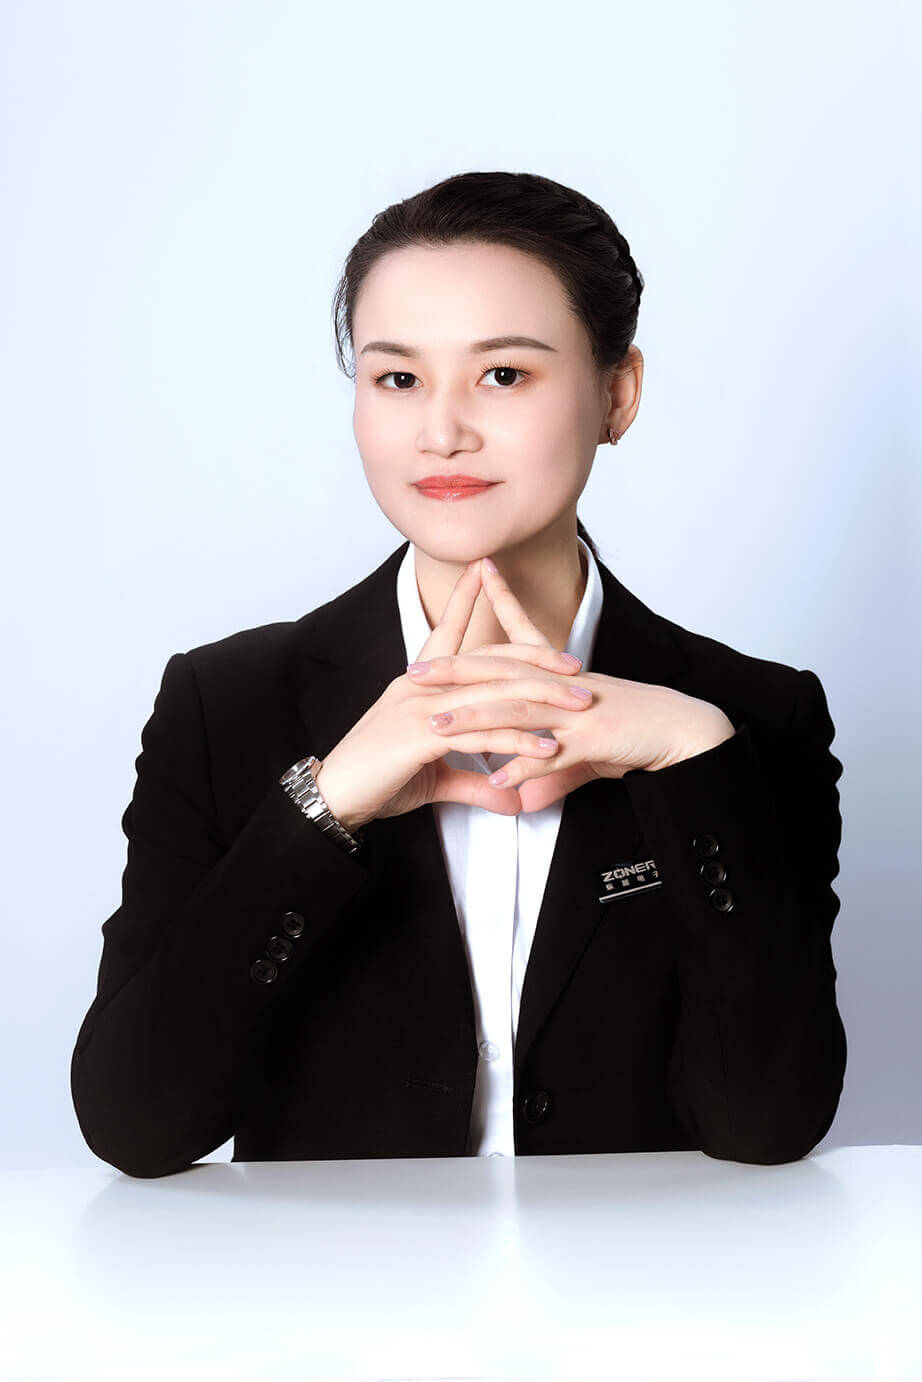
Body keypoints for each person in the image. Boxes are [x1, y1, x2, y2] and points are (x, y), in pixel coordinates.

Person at [70, 170, 847, 1178]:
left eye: (503, 374)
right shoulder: (225, 705)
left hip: (636, 1281)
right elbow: (134, 1125)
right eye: (397, 379)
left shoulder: (749, 718)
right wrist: (324, 805)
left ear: (617, 394)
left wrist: (692, 759)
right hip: (330, 1281)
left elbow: (766, 1126)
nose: (441, 432)